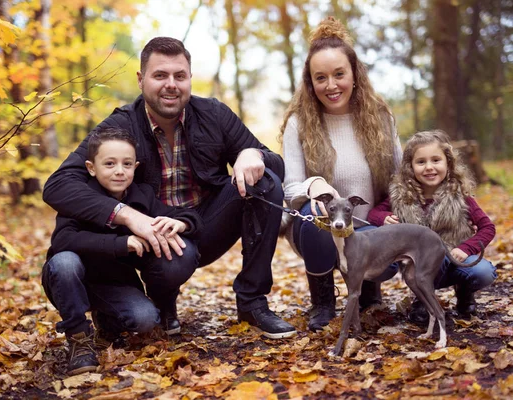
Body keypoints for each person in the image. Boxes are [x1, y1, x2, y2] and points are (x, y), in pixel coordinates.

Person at [43, 37, 297, 342]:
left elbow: (275, 163)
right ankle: (163, 303)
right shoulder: (121, 126)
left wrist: (251, 154)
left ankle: (252, 303)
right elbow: (58, 184)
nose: (171, 85)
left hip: (204, 223)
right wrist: (125, 215)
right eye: (160, 75)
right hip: (153, 235)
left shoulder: (214, 114)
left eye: (180, 75)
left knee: (265, 180)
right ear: (141, 80)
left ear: (189, 78)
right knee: (176, 259)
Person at [43, 127, 202, 375]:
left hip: (113, 283)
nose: (119, 170)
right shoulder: (81, 197)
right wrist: (121, 243)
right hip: (70, 280)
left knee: (145, 318)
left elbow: (187, 215)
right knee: (65, 262)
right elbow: (63, 240)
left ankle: (108, 321)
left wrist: (182, 222)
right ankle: (78, 338)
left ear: (135, 167)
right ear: (91, 167)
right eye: (109, 163)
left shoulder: (141, 196)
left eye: (127, 164)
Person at [280, 17, 403, 332]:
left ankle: (369, 291)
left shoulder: (380, 117)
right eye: (320, 78)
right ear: (310, 81)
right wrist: (314, 185)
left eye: (339, 74)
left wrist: (394, 216)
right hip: (319, 230)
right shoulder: (300, 122)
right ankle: (322, 301)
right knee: (313, 210)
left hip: (370, 230)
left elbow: (401, 179)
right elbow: (291, 188)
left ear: (354, 74)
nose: (331, 85)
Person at [367, 129, 497, 322]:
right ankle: (422, 300)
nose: (429, 167)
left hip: (455, 260)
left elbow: (488, 228)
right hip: (418, 265)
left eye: (436, 160)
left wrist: (465, 248)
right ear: (410, 167)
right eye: (421, 162)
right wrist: (384, 218)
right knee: (428, 257)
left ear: (448, 163)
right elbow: (373, 213)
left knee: (483, 272)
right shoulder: (400, 196)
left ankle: (464, 294)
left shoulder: (460, 196)